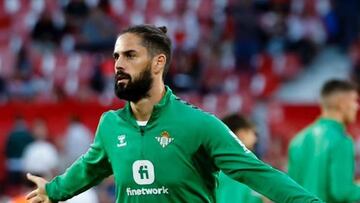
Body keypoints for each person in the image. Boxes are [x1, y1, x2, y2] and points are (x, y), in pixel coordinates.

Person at [26, 24, 323, 203]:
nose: (118, 64)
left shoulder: (199, 124)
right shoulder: (111, 125)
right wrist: (54, 190)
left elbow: (255, 171)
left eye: (130, 55)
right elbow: (89, 169)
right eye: (116, 56)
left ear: (158, 63)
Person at [288, 79, 360, 202]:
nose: (357, 106)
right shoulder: (342, 141)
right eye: (354, 100)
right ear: (342, 103)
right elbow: (342, 192)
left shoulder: (298, 140)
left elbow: (290, 190)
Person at [216, 114, 263, 203]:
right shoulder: (237, 169)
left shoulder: (221, 167)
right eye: (253, 133)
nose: (256, 139)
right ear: (242, 134)